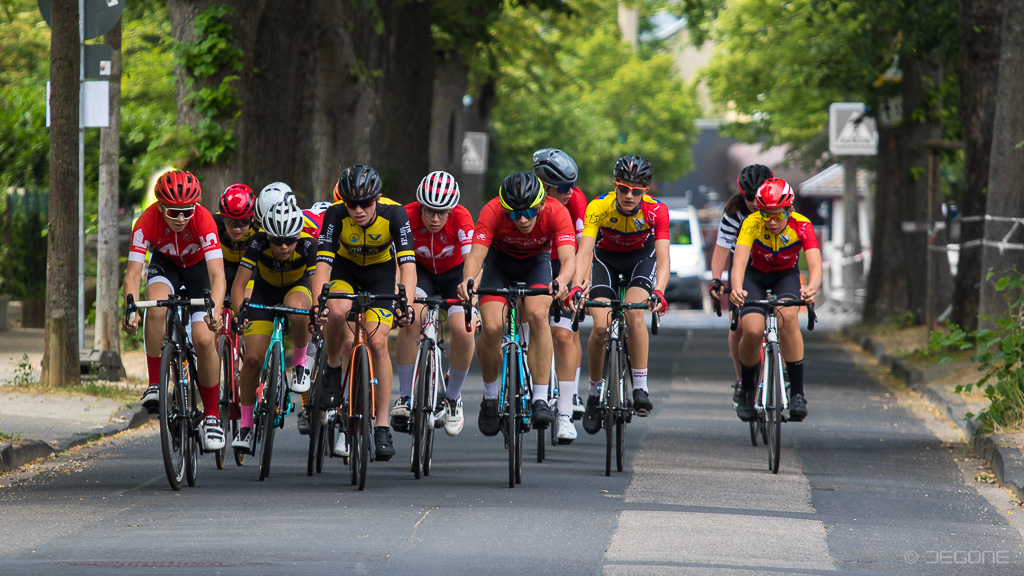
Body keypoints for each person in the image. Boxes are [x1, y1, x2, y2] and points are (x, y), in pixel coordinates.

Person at [457, 171, 575, 435]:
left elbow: (568, 259)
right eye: (514, 214)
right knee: (491, 327)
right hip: (500, 264)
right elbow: (476, 256)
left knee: (538, 315)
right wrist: (468, 280)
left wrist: (561, 281)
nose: (522, 219)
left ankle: (540, 398)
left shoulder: (556, 212)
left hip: (536, 264)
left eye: (528, 212)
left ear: (541, 204)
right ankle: (490, 396)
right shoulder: (492, 211)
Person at [312, 164, 416, 461]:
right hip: (345, 271)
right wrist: (319, 302)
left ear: (377, 199)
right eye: (352, 204)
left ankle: (381, 427)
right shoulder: (335, 214)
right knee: (335, 312)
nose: (358, 210)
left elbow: (408, 265)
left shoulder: (394, 214)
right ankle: (333, 367)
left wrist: (406, 303)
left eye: (365, 203)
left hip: (380, 274)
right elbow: (323, 264)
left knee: (379, 343)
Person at [122, 169, 226, 451]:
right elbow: (132, 275)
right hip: (166, 266)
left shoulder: (204, 220)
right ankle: (155, 384)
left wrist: (215, 311)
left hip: (199, 272)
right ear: (160, 207)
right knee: (156, 308)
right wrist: (131, 309)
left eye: (187, 211)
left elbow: (217, 275)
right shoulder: (145, 221)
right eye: (173, 212)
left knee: (203, 338)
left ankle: (212, 416)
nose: (181, 218)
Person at [568, 155, 669, 434]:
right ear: (615, 186)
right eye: (623, 188)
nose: (629, 195)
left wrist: (659, 292)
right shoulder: (599, 206)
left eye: (636, 191)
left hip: (640, 260)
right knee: (600, 326)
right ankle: (593, 393)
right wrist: (577, 285)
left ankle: (640, 388)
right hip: (605, 261)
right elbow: (584, 252)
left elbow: (663, 257)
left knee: (634, 312)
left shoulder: (656, 211)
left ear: (645, 191)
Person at [729, 177, 822, 422]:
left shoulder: (802, 225)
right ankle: (747, 389)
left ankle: (797, 394)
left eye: (777, 216)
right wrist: (736, 288)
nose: (771, 222)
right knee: (751, 330)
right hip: (754, 277)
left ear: (789, 210)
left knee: (788, 317)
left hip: (785, 276)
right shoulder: (751, 223)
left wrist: (811, 288)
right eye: (766, 215)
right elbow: (739, 262)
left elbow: (815, 264)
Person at [392, 171, 477, 437]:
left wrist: (470, 289)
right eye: (429, 211)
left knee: (464, 330)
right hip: (420, 273)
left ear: (451, 210)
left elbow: (472, 260)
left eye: (441, 213)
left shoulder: (462, 217)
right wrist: (398, 294)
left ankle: (452, 398)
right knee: (410, 320)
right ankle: (405, 396)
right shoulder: (406, 215)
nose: (435, 219)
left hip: (455, 275)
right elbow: (396, 263)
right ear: (420, 206)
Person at [229, 200, 316, 452]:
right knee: (253, 359)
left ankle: (300, 363)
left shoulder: (308, 244)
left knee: (299, 310)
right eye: (277, 241)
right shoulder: (257, 242)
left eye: (289, 240)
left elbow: (317, 286)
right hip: (263, 293)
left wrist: (318, 313)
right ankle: (246, 426)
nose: (284, 247)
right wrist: (239, 313)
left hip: (297, 288)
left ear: (298, 235)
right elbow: (239, 285)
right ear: (267, 236)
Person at [708, 164, 773, 408]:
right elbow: (721, 249)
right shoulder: (734, 212)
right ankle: (741, 378)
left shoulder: (781, 205)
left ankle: (782, 367)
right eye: (749, 197)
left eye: (758, 197)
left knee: (784, 318)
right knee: (738, 328)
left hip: (775, 266)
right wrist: (716, 280)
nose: (755, 203)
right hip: (744, 269)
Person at [532, 148, 587, 443]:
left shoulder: (575, 200)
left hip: (566, 262)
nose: (570, 192)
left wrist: (579, 283)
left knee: (565, 335)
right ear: (545, 187)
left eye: (572, 185)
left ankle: (565, 411)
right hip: (533, 261)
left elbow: (582, 249)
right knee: (533, 321)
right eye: (563, 187)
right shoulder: (529, 197)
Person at [214, 184, 257, 293]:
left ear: (252, 218)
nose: (236, 229)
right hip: (224, 267)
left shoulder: (259, 226)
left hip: (251, 269)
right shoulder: (214, 223)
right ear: (222, 217)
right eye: (230, 221)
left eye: (243, 222)